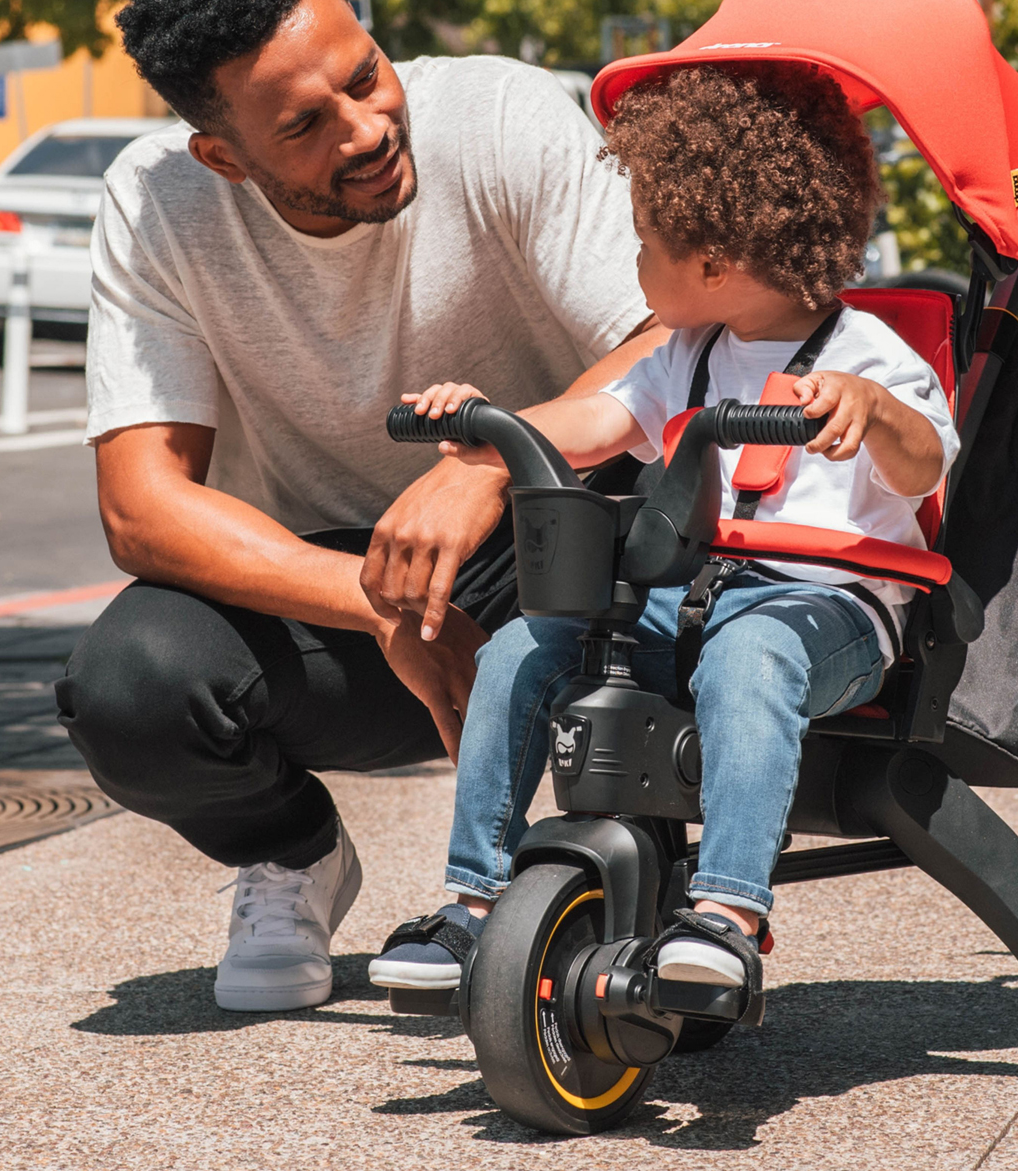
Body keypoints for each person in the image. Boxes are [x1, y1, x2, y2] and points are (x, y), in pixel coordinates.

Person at [54, 0, 666, 1013]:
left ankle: (629, 868)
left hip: (552, 543)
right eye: (302, 127)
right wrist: (375, 602)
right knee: (130, 688)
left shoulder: (498, 116)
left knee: (665, 530)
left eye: (365, 72)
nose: (367, 125)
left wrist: (493, 461)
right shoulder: (158, 203)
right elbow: (144, 509)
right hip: (352, 607)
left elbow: (678, 337)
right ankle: (291, 857)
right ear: (222, 157)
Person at [368, 63, 960, 995]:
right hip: (690, 602)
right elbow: (586, 427)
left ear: (715, 265)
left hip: (829, 613)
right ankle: (473, 903)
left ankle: (726, 914)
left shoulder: (867, 355)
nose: (633, 266)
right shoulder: (689, 354)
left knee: (754, 654)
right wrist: (486, 427)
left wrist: (873, 411)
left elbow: (925, 465)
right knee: (524, 647)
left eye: (643, 245)